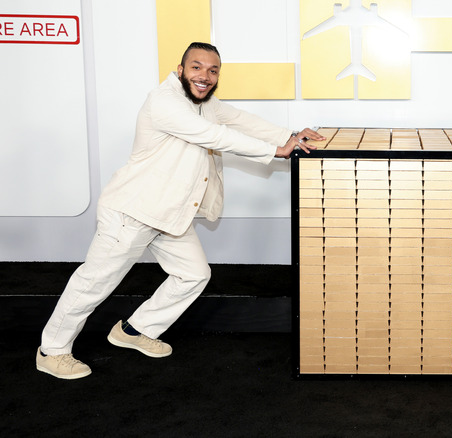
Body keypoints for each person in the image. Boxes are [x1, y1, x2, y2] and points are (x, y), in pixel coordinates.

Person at [36, 42, 325, 379]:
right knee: (93, 283)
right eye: (197, 67)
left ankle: (133, 330)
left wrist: (290, 134)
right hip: (134, 211)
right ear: (181, 69)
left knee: (194, 274)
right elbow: (212, 135)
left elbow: (240, 120)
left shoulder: (206, 104)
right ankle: (51, 350)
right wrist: (277, 150)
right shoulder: (164, 102)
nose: (205, 76)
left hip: (171, 215)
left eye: (213, 70)